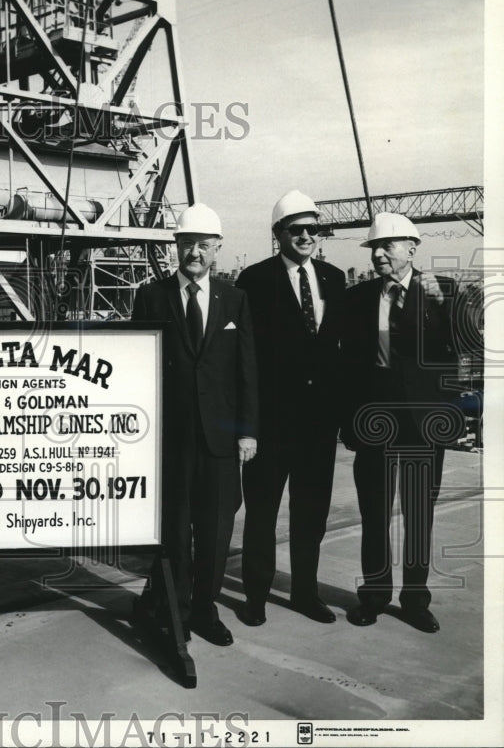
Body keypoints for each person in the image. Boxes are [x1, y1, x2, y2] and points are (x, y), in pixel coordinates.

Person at [132, 203, 258, 647]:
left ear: (218, 248)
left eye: (204, 246)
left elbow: (247, 371)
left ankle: (205, 609)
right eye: (187, 244)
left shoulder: (235, 299)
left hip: (222, 441)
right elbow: (137, 369)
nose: (195, 254)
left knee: (216, 531)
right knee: (174, 531)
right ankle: (175, 612)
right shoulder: (150, 297)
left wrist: (248, 431)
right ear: (176, 246)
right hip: (172, 441)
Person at [341, 212, 459, 633]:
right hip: (375, 424)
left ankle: (415, 600)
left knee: (418, 515)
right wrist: (350, 422)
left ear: (412, 248)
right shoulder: (358, 299)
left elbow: (457, 355)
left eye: (387, 246)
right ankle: (373, 596)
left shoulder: (443, 292)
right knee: (374, 514)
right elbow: (349, 367)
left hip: (424, 427)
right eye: (374, 247)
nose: (378, 254)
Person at [234, 190, 346, 627]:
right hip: (271, 423)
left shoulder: (334, 279)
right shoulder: (254, 280)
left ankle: (305, 593)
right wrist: (247, 424)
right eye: (296, 229)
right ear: (278, 233)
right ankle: (255, 597)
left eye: (312, 229)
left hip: (318, 426)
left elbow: (341, 352)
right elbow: (244, 356)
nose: (305, 236)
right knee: (261, 513)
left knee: (311, 513)